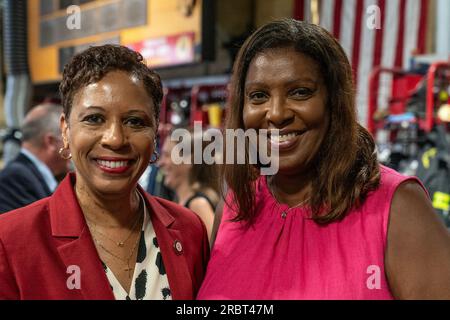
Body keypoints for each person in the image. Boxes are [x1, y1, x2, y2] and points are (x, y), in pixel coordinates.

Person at [197, 19, 450, 300]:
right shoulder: (234, 207)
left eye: (300, 92)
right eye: (258, 96)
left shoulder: (398, 208)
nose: (277, 113)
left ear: (334, 102)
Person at [0, 45, 209, 300]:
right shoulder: (11, 241)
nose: (115, 139)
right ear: (65, 131)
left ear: (155, 135)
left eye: (135, 121)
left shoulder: (189, 230)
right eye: (94, 119)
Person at [0, 103, 70, 213]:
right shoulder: (16, 178)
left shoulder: (26, 175)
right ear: (50, 142)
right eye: (67, 140)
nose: (72, 148)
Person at [158, 128, 220, 243]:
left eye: (167, 155)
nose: (160, 162)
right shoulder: (179, 200)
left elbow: (217, 251)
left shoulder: (198, 204)